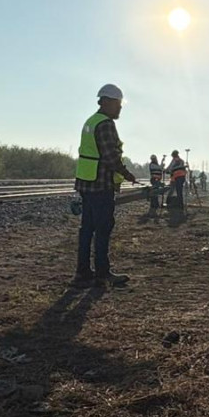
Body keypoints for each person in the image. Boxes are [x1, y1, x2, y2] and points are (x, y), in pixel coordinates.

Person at [73, 84, 137, 287]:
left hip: (86, 182)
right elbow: (110, 157)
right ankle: (103, 272)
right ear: (107, 102)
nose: (120, 108)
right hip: (100, 184)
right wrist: (127, 174)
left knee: (87, 229)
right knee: (103, 228)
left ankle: (83, 272)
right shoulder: (106, 124)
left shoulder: (91, 122)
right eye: (118, 104)